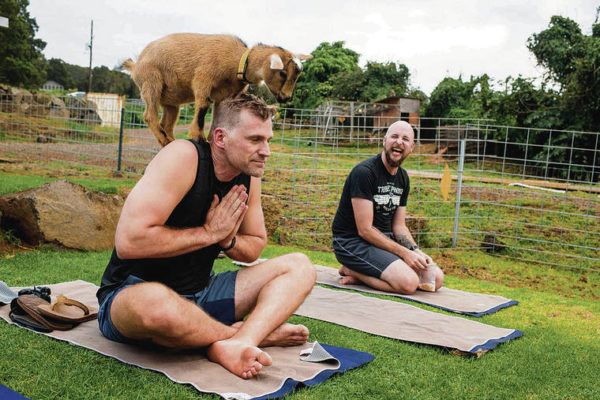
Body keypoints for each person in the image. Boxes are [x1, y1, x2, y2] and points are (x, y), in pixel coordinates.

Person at [96, 94, 316, 379]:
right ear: (221, 138)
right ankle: (241, 336)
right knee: (153, 303)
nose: (266, 151)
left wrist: (228, 241)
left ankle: (237, 342)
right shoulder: (183, 156)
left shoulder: (250, 175)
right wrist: (209, 233)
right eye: (255, 140)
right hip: (131, 295)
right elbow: (129, 242)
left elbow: (254, 246)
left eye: (268, 140)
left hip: (202, 294)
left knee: (300, 266)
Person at [331, 120, 444, 294]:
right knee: (409, 284)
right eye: (395, 136)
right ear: (384, 141)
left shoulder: (403, 178)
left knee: (435, 279)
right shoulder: (364, 173)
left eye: (405, 139)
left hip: (383, 242)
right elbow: (365, 230)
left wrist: (415, 251)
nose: (399, 142)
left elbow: (399, 226)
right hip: (352, 242)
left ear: (411, 147)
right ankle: (352, 270)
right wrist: (404, 254)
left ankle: (365, 272)